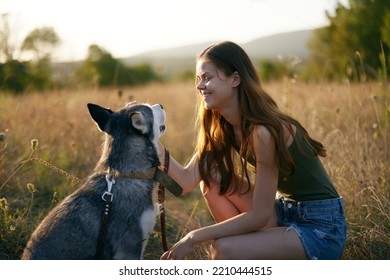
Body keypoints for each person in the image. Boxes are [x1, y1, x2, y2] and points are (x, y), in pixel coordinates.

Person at [157, 41, 347, 260]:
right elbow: (185, 181)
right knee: (210, 177)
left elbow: (259, 215)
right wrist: (147, 140)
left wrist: (194, 236)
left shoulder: (263, 132)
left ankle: (243, 251)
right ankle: (247, 249)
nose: (200, 86)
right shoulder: (223, 126)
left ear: (235, 79)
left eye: (208, 78)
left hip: (320, 227)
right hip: (283, 211)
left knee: (223, 249)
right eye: (198, 79)